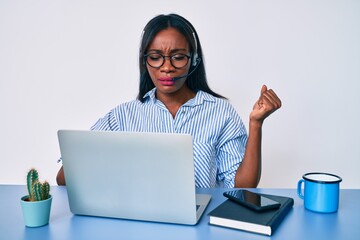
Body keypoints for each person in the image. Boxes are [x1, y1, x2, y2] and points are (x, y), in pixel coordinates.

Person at [56, 13, 281, 188]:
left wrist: (256, 124)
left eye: (178, 57)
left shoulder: (221, 112)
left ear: (193, 60)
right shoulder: (122, 116)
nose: (166, 67)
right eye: (155, 58)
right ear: (145, 62)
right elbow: (64, 178)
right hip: (139, 223)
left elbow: (242, 186)